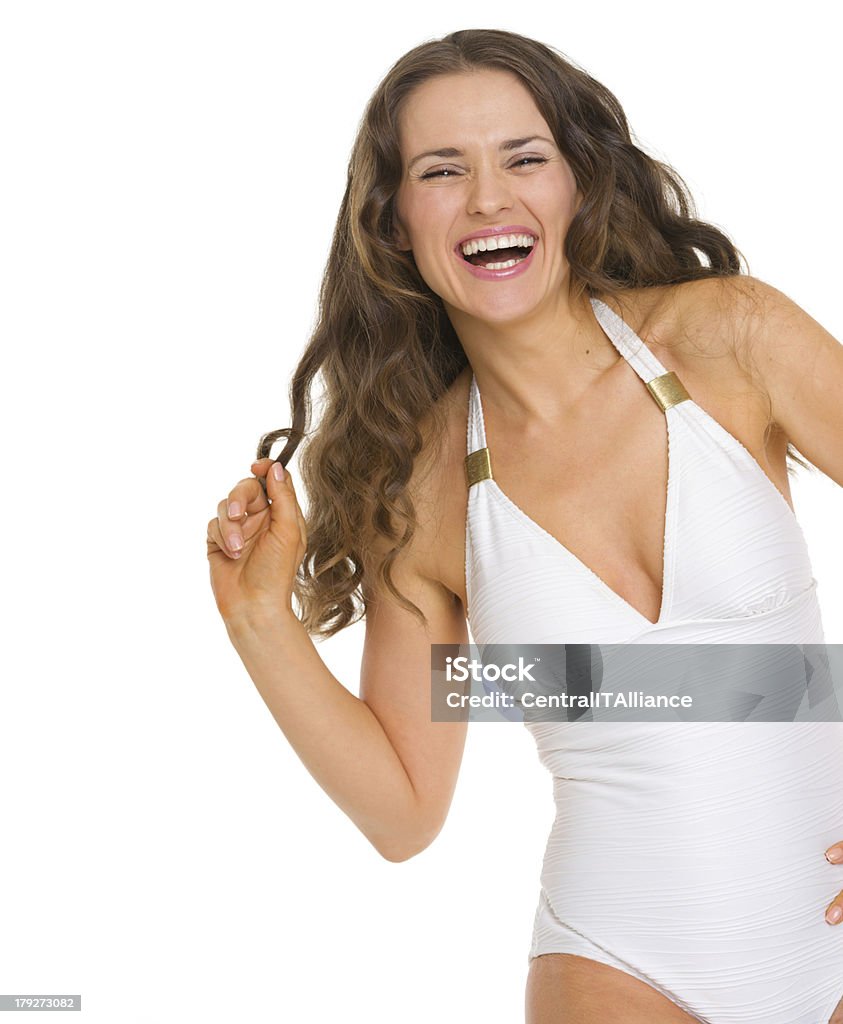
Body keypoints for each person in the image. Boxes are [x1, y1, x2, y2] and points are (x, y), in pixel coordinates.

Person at [205, 28, 843, 1024]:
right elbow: (405, 811)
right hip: (617, 963)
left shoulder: (730, 339)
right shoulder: (416, 490)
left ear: (576, 185)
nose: (488, 198)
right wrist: (259, 622)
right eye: (442, 170)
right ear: (395, 220)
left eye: (524, 158)